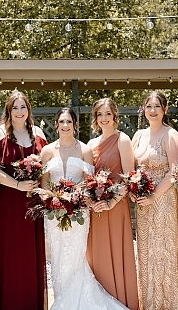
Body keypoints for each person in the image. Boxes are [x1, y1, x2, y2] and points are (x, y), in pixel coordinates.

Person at [41, 108, 129, 310]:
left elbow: (89, 182)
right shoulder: (46, 151)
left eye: (69, 122)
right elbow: (44, 183)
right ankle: (62, 299)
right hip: (53, 213)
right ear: (56, 124)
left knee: (74, 256)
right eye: (61, 121)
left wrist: (74, 197)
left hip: (78, 212)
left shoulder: (84, 150)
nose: (65, 126)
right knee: (57, 256)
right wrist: (52, 199)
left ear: (75, 125)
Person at [0, 90, 48, 310]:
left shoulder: (38, 133)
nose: (19, 112)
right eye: (15, 108)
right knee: (9, 254)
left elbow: (46, 166)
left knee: (29, 257)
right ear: (8, 111)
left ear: (28, 109)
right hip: (7, 204)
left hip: (32, 203)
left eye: (23, 107)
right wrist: (17, 184)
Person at [131, 91, 178, 310]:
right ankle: (148, 305)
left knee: (163, 254)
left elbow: (175, 172)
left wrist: (153, 196)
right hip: (143, 205)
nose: (152, 111)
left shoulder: (171, 135)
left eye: (157, 107)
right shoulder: (138, 135)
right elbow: (132, 170)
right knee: (145, 254)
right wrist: (133, 189)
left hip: (163, 202)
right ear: (144, 109)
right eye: (149, 107)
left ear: (165, 110)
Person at [86, 98, 139, 310]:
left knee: (117, 252)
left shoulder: (122, 140)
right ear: (95, 118)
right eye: (100, 114)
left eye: (108, 114)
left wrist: (111, 202)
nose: (104, 118)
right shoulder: (90, 145)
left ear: (114, 115)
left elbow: (129, 177)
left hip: (116, 207)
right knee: (97, 255)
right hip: (96, 208)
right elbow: (87, 178)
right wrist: (93, 201)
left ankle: (121, 301)